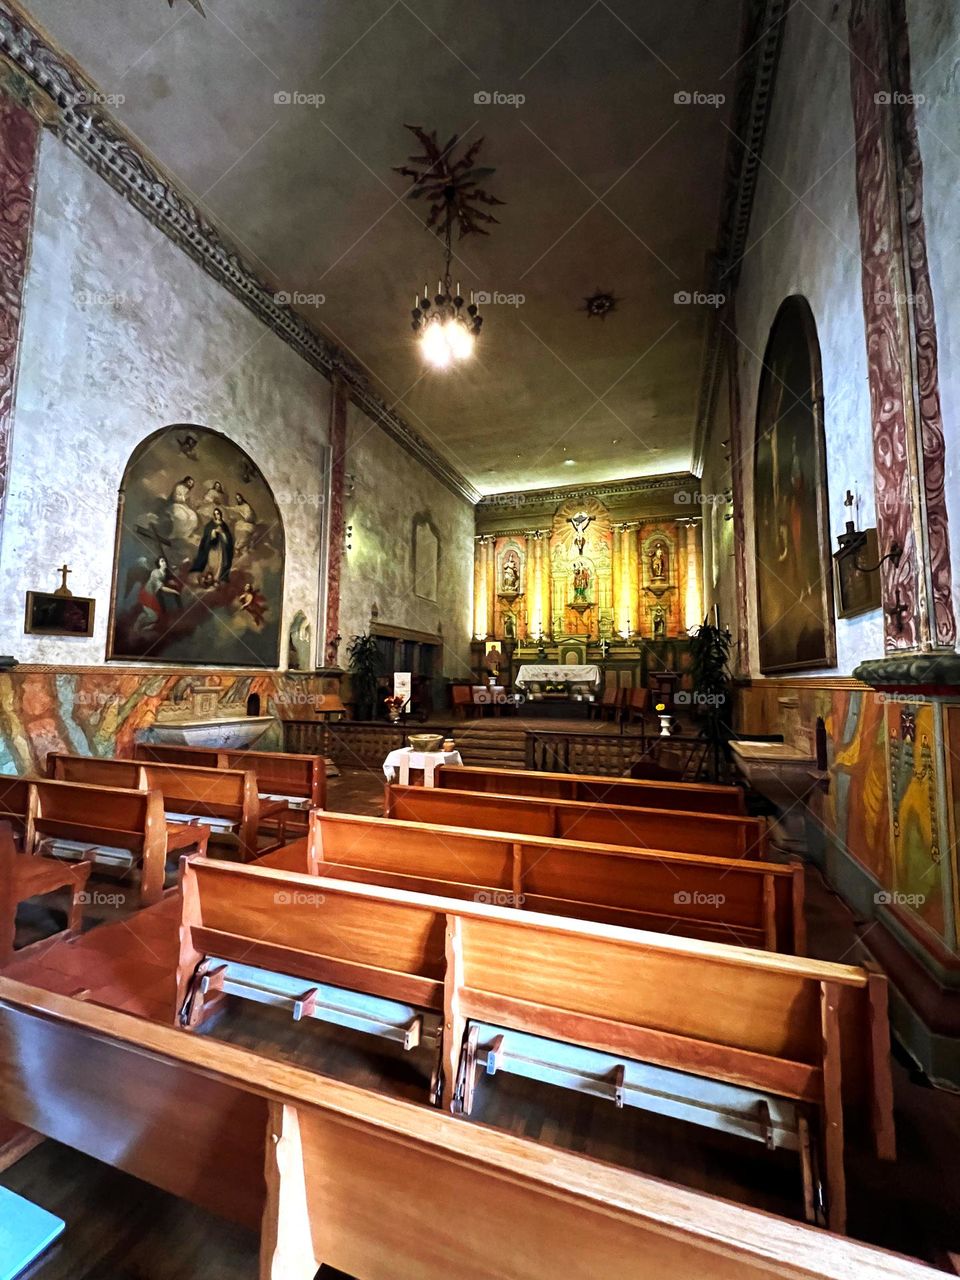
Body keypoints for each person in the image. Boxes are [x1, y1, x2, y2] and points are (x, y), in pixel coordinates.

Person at [190, 507, 234, 583]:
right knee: (212, 562)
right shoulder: (210, 525)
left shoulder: (224, 525)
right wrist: (213, 532)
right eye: (215, 514)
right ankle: (211, 577)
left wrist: (222, 533)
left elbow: (228, 538)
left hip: (221, 548)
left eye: (218, 513)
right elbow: (206, 536)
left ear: (220, 514)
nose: (217, 515)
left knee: (220, 562)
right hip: (213, 547)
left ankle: (217, 578)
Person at [168, 476, 198, 540]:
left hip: (183, 506)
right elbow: (175, 498)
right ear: (186, 480)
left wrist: (190, 503)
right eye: (189, 482)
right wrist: (184, 498)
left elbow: (188, 501)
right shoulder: (178, 487)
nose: (190, 484)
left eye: (191, 484)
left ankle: (185, 534)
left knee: (193, 517)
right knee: (182, 517)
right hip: (176, 504)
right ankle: (176, 534)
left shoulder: (187, 490)